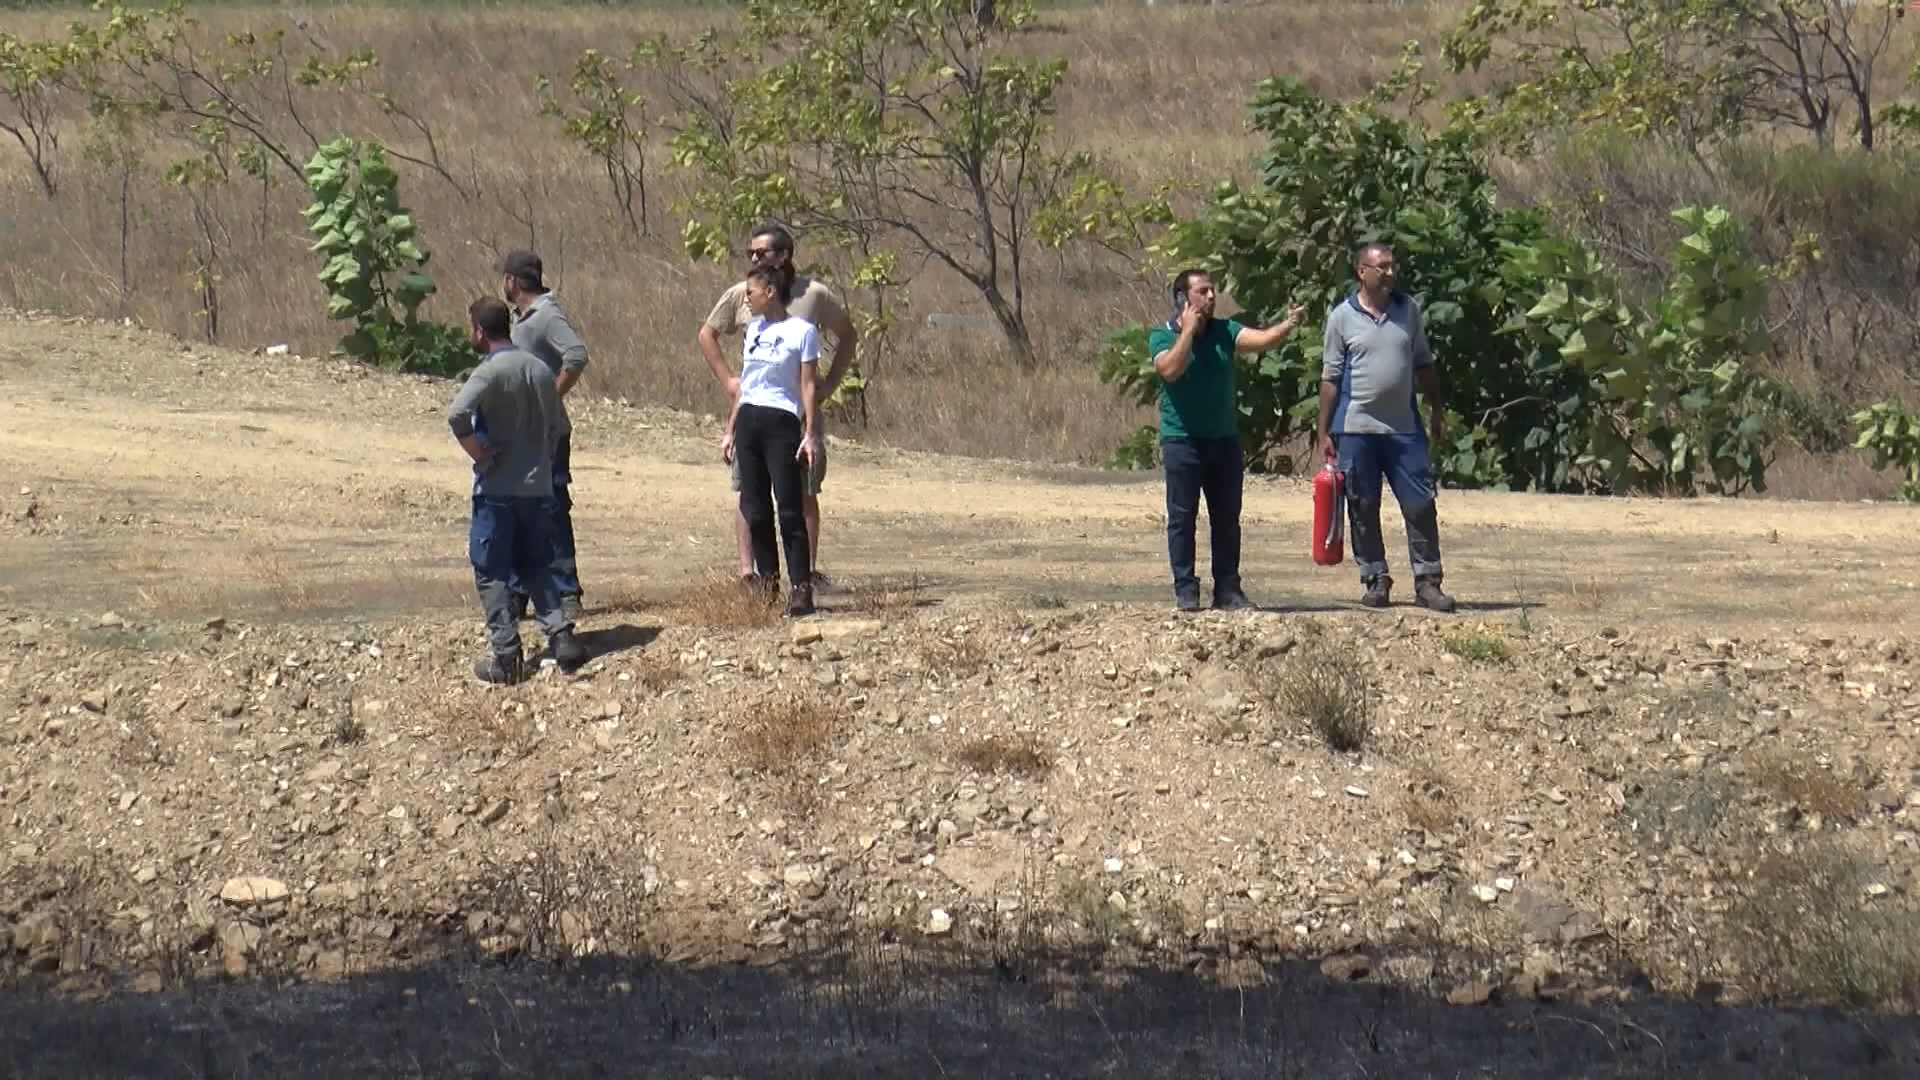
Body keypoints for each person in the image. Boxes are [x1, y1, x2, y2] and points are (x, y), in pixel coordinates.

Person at [698, 223, 858, 588]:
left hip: (795, 412)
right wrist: (729, 383)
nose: (754, 258)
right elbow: (708, 333)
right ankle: (749, 574)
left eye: (762, 253)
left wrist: (829, 384)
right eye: (751, 253)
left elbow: (848, 334)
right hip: (754, 409)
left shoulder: (813, 294)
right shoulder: (743, 294)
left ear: (784, 256)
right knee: (749, 492)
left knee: (802, 491)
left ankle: (806, 573)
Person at [446, 297, 588, 684]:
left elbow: (457, 414)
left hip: (497, 489)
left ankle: (507, 656)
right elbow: (558, 426)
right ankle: (560, 636)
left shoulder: (489, 372)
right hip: (538, 487)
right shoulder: (540, 369)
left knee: (491, 569)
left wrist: (478, 452)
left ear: (479, 330)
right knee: (538, 563)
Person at [1147, 269, 1306, 612]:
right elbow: (1170, 370)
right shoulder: (1162, 336)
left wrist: (1289, 324)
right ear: (1182, 298)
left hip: (1223, 441)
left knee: (1226, 517)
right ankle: (1186, 589)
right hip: (1182, 442)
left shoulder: (1225, 330)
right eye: (1202, 291)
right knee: (1181, 517)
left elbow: (1262, 340)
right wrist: (1188, 331)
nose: (1211, 297)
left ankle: (1228, 589)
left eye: (1212, 290)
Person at [1317, 241, 1457, 613]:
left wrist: (1437, 409)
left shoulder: (1407, 310)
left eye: (1393, 266)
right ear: (1362, 271)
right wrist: (1323, 431)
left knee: (1420, 503)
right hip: (1356, 428)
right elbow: (1330, 378)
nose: (1390, 273)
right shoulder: (1341, 318)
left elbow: (1423, 361)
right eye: (1382, 267)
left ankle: (1428, 581)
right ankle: (1375, 577)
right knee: (1362, 506)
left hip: (1403, 428)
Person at [719, 264, 823, 617]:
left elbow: (808, 385)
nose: (746, 298)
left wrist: (809, 433)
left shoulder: (803, 332)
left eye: (750, 292)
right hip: (749, 418)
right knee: (755, 506)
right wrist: (731, 429)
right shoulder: (753, 329)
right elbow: (746, 381)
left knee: (789, 507)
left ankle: (801, 586)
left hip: (782, 420)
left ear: (770, 292)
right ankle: (767, 581)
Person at [499, 249, 589, 622]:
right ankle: (521, 592)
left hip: (546, 433)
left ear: (512, 281)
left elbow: (576, 355)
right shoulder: (523, 318)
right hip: (521, 434)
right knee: (520, 510)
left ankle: (566, 592)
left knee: (551, 509)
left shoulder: (546, 314)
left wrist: (548, 398)